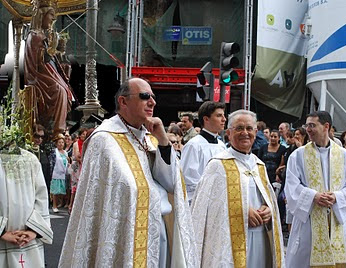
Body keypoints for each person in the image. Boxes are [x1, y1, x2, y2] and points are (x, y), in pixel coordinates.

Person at [59, 78, 196, 267]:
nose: (152, 102)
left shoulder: (151, 137)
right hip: (126, 232)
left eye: (153, 97)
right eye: (144, 96)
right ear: (123, 101)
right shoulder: (104, 139)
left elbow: (172, 184)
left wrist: (164, 143)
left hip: (158, 231)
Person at [191, 109, 285, 267]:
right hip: (229, 240)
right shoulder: (218, 165)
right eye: (239, 128)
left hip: (261, 236)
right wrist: (241, 211)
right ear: (228, 133)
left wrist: (268, 209)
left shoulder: (258, 165)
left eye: (249, 128)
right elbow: (207, 209)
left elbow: (267, 198)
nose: (245, 133)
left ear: (256, 132)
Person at [285, 111, 346, 268]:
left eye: (312, 125)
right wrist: (313, 196)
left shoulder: (344, 155)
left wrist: (337, 197)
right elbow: (291, 186)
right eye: (307, 125)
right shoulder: (298, 155)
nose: (308, 129)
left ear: (326, 126)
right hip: (309, 220)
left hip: (336, 218)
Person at [24, 0, 73, 136]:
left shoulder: (42, 35)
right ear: (42, 15)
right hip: (38, 76)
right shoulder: (35, 36)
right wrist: (51, 49)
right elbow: (39, 61)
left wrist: (58, 50)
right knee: (59, 90)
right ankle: (57, 129)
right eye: (51, 15)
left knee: (64, 88)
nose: (53, 19)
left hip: (46, 72)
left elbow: (50, 60)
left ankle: (59, 128)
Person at [0, 149, 53, 267]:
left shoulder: (30, 159)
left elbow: (41, 196)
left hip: (28, 239)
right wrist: (2, 231)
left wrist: (34, 230)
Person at [180, 101, 227, 203]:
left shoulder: (222, 145)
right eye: (219, 116)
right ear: (206, 119)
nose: (224, 119)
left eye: (224, 115)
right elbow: (189, 179)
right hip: (201, 201)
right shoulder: (194, 145)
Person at [49, 134, 69, 213]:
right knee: (55, 191)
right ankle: (54, 205)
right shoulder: (54, 152)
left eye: (62, 142)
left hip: (63, 174)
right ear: (56, 143)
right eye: (59, 142)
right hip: (56, 173)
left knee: (61, 190)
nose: (61, 144)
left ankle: (58, 204)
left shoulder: (65, 153)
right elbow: (52, 162)